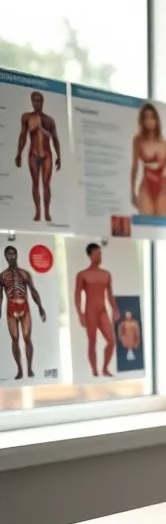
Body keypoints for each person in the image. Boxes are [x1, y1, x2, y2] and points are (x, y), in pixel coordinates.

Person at [14, 91, 61, 223]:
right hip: (33, 154)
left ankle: (47, 212)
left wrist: (59, 156)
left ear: (43, 102)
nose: (37, 103)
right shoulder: (26, 117)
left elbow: (55, 139)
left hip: (47, 154)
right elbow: (23, 136)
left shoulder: (49, 120)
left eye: (40, 100)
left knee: (46, 183)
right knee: (35, 183)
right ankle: (38, 211)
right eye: (35, 100)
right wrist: (19, 153)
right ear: (32, 101)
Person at [2, 244, 46, 379]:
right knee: (14, 339)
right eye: (8, 254)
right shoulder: (2, 276)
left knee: (27, 338)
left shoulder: (24, 273)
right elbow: (0, 295)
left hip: (24, 307)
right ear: (5, 257)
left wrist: (40, 307)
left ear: (16, 255)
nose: (11, 256)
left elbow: (33, 291)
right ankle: (20, 370)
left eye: (13, 254)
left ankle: (29, 369)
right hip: (10, 308)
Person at [73, 243, 118, 377]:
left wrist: (115, 309)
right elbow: (77, 295)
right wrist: (80, 314)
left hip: (102, 311)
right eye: (97, 254)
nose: (100, 256)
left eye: (101, 254)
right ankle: (94, 370)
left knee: (111, 341)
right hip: (90, 312)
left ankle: (105, 368)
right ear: (91, 255)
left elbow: (110, 295)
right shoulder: (82, 275)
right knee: (92, 341)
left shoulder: (106, 274)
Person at [131, 102, 166, 217]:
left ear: (157, 120)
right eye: (146, 118)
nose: (149, 121)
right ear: (142, 121)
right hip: (146, 187)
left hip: (163, 188)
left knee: (161, 224)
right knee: (147, 223)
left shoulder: (165, 144)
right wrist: (132, 193)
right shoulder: (138, 141)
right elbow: (134, 167)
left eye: (152, 117)